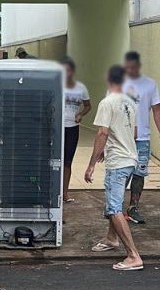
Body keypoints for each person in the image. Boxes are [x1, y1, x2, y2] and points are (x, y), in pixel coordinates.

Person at [85, 65, 143, 271]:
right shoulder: (130, 102)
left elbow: (102, 133)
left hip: (118, 163)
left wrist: (91, 164)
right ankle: (111, 239)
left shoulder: (107, 102)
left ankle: (133, 255)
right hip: (130, 159)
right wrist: (112, 147)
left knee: (113, 208)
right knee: (115, 201)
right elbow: (133, 133)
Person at [123, 51, 160, 224]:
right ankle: (115, 208)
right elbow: (110, 111)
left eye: (134, 67)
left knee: (139, 173)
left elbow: (157, 109)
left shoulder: (150, 85)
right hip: (123, 138)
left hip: (142, 138)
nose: (131, 70)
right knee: (121, 173)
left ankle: (133, 207)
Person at [60, 57, 91, 202]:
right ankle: (54, 193)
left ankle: (65, 193)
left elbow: (88, 106)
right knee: (55, 161)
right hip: (57, 128)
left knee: (67, 161)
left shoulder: (81, 88)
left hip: (72, 128)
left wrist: (80, 114)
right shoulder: (57, 85)